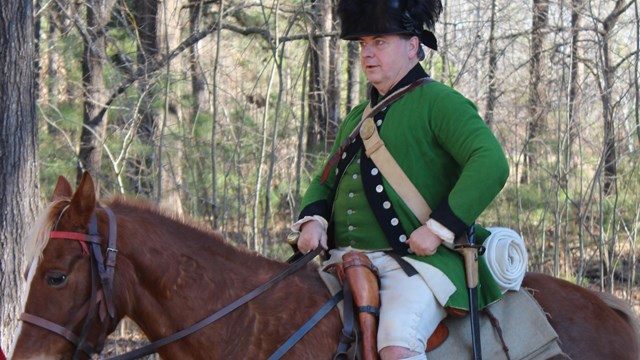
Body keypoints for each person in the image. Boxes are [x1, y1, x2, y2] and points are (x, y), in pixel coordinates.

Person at [290, 0, 510, 359]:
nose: (367, 53)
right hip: (342, 261)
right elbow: (325, 180)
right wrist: (314, 220)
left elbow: (490, 163)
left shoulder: (440, 102)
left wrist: (439, 228)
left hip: (417, 264)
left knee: (397, 350)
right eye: (363, 44)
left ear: (412, 46)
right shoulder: (358, 117)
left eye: (379, 41)